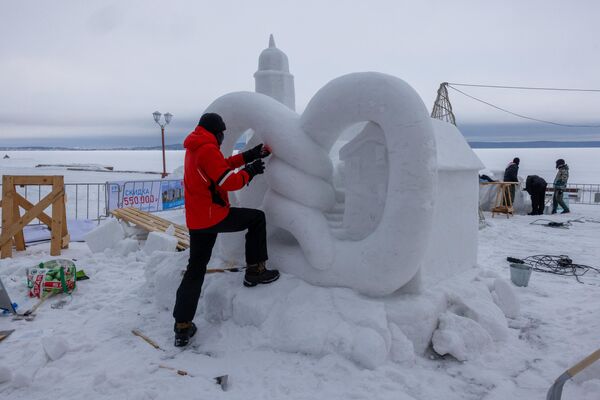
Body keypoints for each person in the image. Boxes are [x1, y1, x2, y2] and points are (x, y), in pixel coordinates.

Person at [172, 113, 280, 347]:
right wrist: (251, 171)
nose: (223, 138)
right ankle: (255, 270)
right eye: (222, 133)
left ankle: (182, 326)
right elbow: (228, 181)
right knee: (257, 218)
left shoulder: (195, 146)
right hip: (214, 216)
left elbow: (220, 168)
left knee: (195, 269)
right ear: (217, 132)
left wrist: (248, 156)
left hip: (198, 219)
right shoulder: (208, 148)